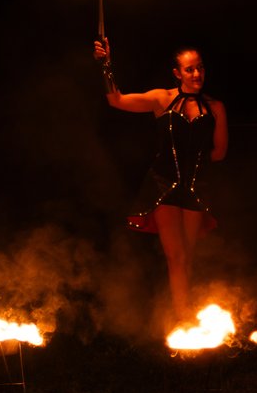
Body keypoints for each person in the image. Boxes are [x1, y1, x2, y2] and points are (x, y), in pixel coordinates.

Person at [93, 36, 228, 323]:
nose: (197, 74)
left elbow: (219, 153)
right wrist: (105, 65)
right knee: (176, 257)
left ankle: (185, 315)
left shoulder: (215, 107)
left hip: (195, 187)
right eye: (190, 69)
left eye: (200, 68)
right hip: (163, 185)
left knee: (187, 257)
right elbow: (116, 100)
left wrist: (196, 160)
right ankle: (182, 320)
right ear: (177, 73)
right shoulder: (162, 99)